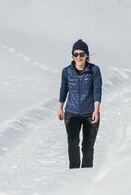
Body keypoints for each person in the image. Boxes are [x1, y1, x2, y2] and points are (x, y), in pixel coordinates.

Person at [57, 39, 102, 169]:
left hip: (90, 113)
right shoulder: (66, 71)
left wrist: (96, 110)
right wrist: (60, 107)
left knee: (88, 148)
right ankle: (74, 172)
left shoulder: (94, 70)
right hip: (72, 113)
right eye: (75, 54)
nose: (78, 57)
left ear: (87, 55)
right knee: (72, 142)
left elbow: (97, 90)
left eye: (82, 54)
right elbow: (63, 89)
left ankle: (86, 174)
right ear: (72, 55)